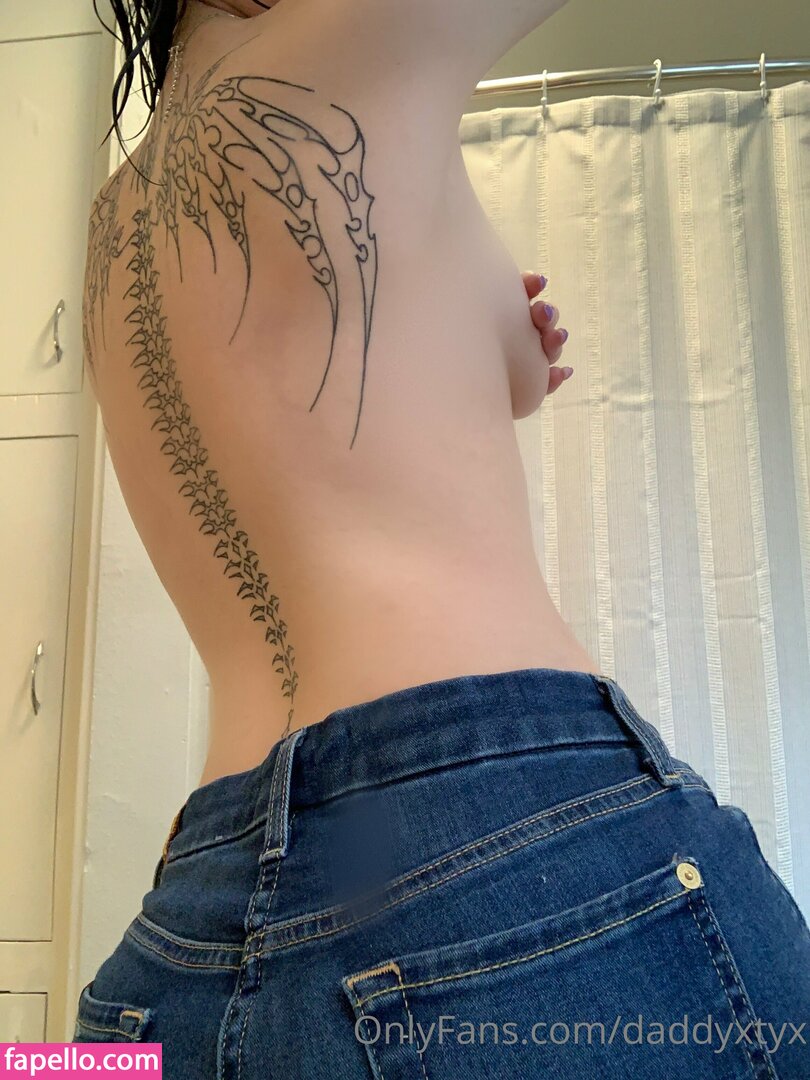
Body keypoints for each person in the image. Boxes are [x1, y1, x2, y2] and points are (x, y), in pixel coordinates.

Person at [73, 2, 810, 1076]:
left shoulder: (109, 223)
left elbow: (296, 435)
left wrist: (489, 350)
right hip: (493, 850)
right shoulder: (353, 36)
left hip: (165, 967)